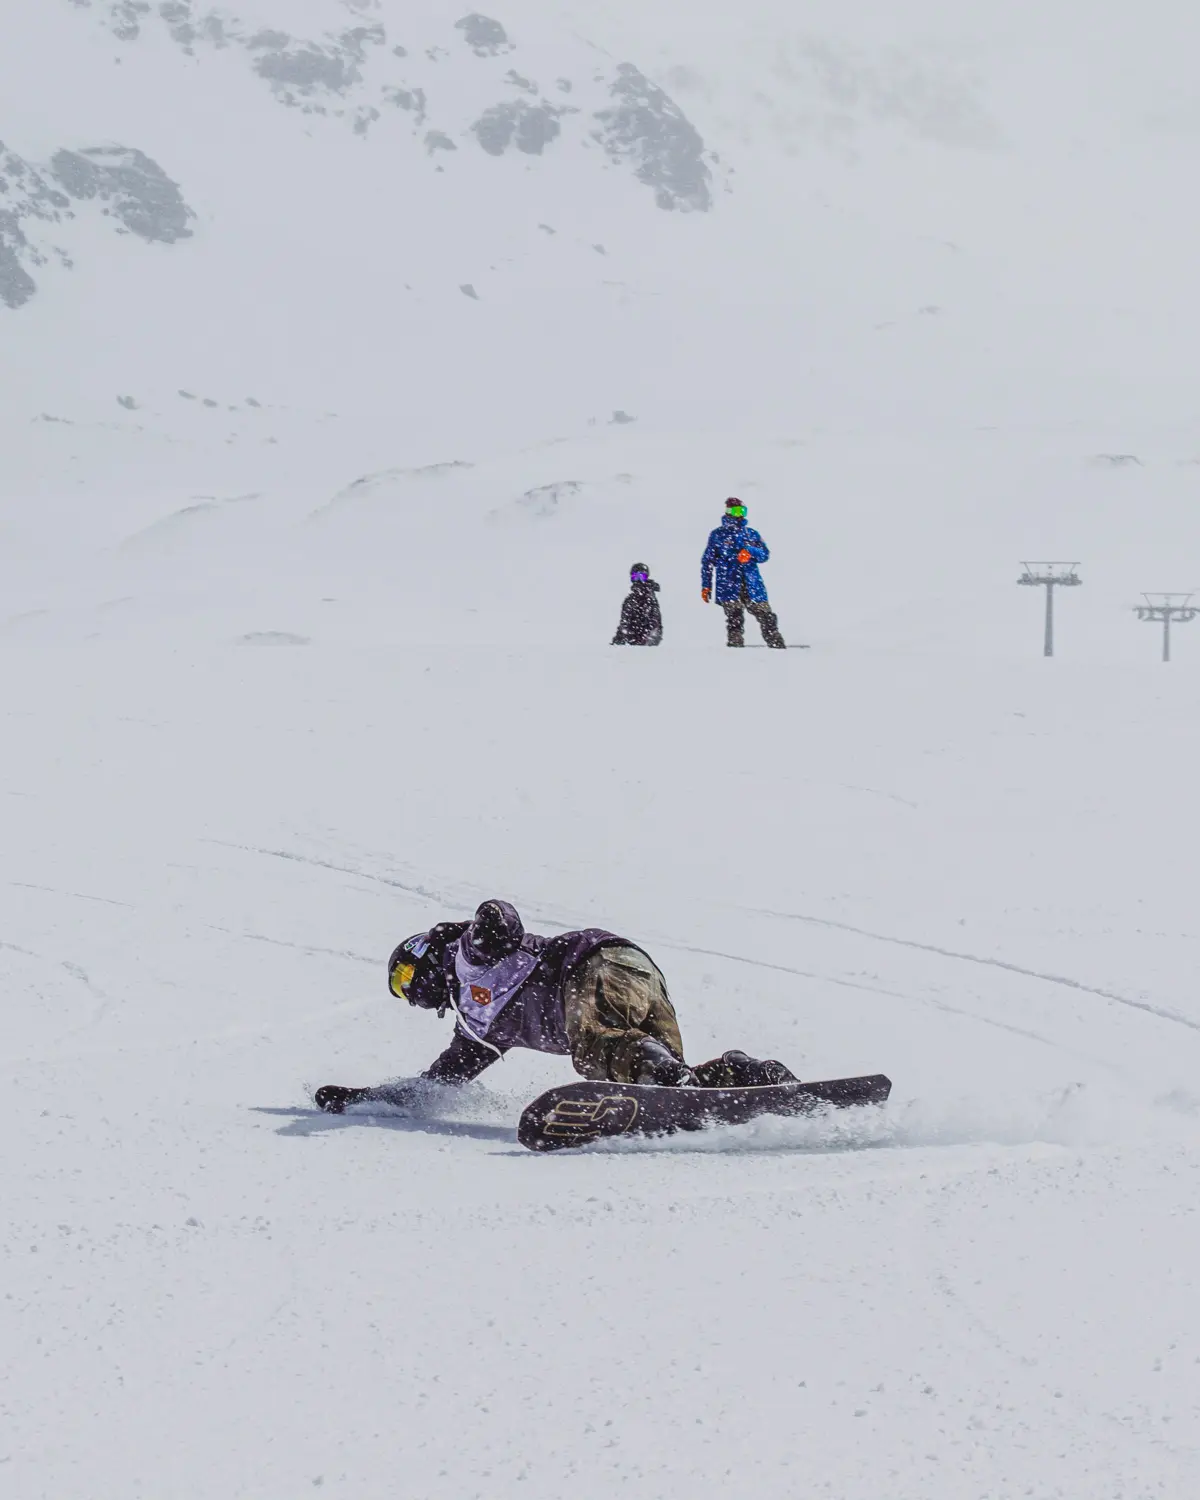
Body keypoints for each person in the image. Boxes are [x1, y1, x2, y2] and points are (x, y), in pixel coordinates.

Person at [315, 899, 795, 1110]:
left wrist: (479, 929)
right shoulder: (480, 1027)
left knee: (594, 1050)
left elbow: (500, 918)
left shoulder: (466, 955)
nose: (410, 996)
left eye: (404, 981)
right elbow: (438, 1085)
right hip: (638, 976)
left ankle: (676, 1078)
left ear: (421, 961)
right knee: (656, 1075)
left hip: (596, 967)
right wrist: (367, 1101)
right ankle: (747, 1074)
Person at [701, 497, 786, 648]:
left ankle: (775, 642)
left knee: (766, 615)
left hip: (752, 583)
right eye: (735, 511)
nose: (739, 515)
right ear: (727, 512)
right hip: (728, 583)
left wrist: (750, 551)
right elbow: (707, 562)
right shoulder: (718, 535)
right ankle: (735, 646)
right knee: (734, 617)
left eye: (742, 511)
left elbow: (764, 554)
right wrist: (706, 585)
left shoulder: (751, 534)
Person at [612, 562, 663, 646]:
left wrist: (648, 642)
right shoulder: (629, 600)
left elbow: (655, 624)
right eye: (635, 577)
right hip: (632, 644)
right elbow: (624, 624)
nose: (639, 580)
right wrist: (618, 640)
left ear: (646, 578)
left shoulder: (650, 598)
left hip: (647, 645)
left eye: (642, 576)